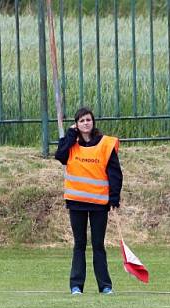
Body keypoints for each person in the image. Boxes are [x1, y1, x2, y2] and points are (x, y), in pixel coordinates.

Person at [55, 107, 123, 295]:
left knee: (98, 245)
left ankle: (105, 286)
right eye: (82, 121)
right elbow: (60, 156)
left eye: (88, 120)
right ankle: (76, 285)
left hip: (99, 203)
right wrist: (70, 135)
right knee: (79, 244)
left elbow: (115, 173)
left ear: (93, 122)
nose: (86, 123)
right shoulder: (70, 144)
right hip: (76, 202)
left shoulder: (105, 145)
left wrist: (114, 198)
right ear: (76, 124)